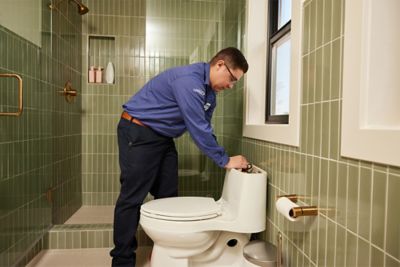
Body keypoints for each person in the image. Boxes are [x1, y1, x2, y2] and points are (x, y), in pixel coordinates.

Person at [110, 47, 250, 266]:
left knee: (168, 197)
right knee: (132, 197)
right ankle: (122, 261)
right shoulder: (190, 80)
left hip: (162, 138)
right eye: (232, 78)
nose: (231, 85)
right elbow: (197, 128)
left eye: (235, 83)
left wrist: (220, 154)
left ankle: (161, 253)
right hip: (139, 131)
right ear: (220, 65)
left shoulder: (210, 96)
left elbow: (205, 127)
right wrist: (225, 160)